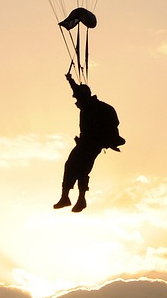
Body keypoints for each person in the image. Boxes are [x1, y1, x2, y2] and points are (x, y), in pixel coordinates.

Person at [53, 68, 125, 213]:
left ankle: (71, 197)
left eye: (77, 99)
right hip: (90, 144)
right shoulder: (92, 107)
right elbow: (81, 95)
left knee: (73, 165)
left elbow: (82, 97)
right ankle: (77, 199)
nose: (76, 102)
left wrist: (71, 81)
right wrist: (70, 81)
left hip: (90, 144)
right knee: (80, 170)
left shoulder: (91, 107)